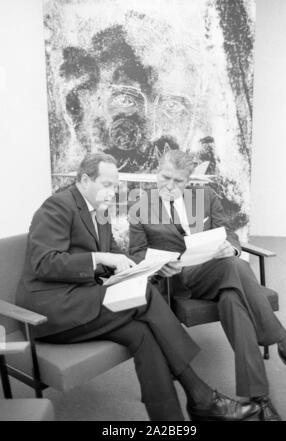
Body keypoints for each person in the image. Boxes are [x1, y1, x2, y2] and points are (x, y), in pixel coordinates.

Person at [16, 152, 259, 422]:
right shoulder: (56, 206)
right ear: (85, 180)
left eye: (115, 185)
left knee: (142, 333)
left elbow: (123, 258)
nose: (113, 191)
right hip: (51, 312)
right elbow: (45, 263)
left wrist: (153, 265)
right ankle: (201, 395)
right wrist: (100, 259)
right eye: (107, 184)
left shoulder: (100, 213)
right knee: (145, 294)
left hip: (84, 299)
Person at [129, 149, 286, 421]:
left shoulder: (206, 197)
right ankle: (285, 343)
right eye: (166, 178)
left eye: (179, 181)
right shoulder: (141, 204)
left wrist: (228, 249)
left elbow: (229, 234)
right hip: (178, 280)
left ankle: (259, 396)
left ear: (189, 180)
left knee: (233, 297)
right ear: (156, 172)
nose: (171, 186)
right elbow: (136, 252)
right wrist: (159, 265)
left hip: (217, 272)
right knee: (236, 268)